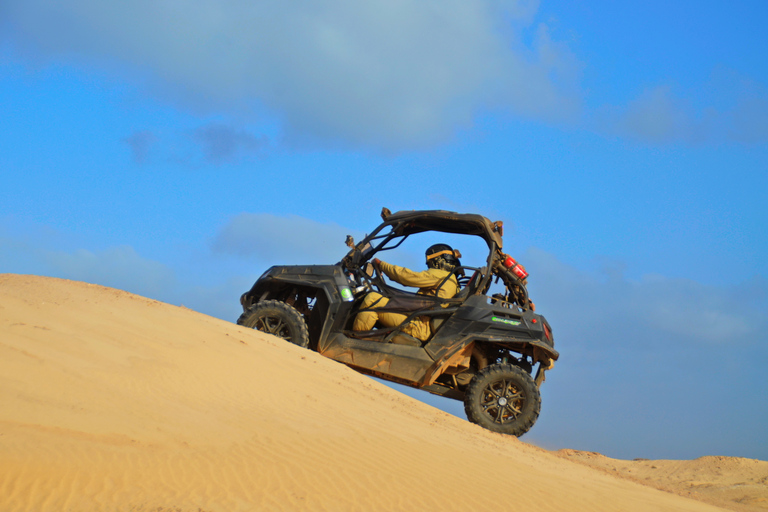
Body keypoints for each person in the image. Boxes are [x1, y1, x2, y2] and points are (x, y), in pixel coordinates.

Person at [352, 243, 461, 342]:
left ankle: (354, 341)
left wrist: (382, 265)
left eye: (430, 262)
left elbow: (408, 277)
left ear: (438, 260)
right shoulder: (453, 281)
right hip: (421, 322)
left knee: (373, 299)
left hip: (420, 325)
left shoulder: (442, 276)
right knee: (385, 299)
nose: (428, 266)